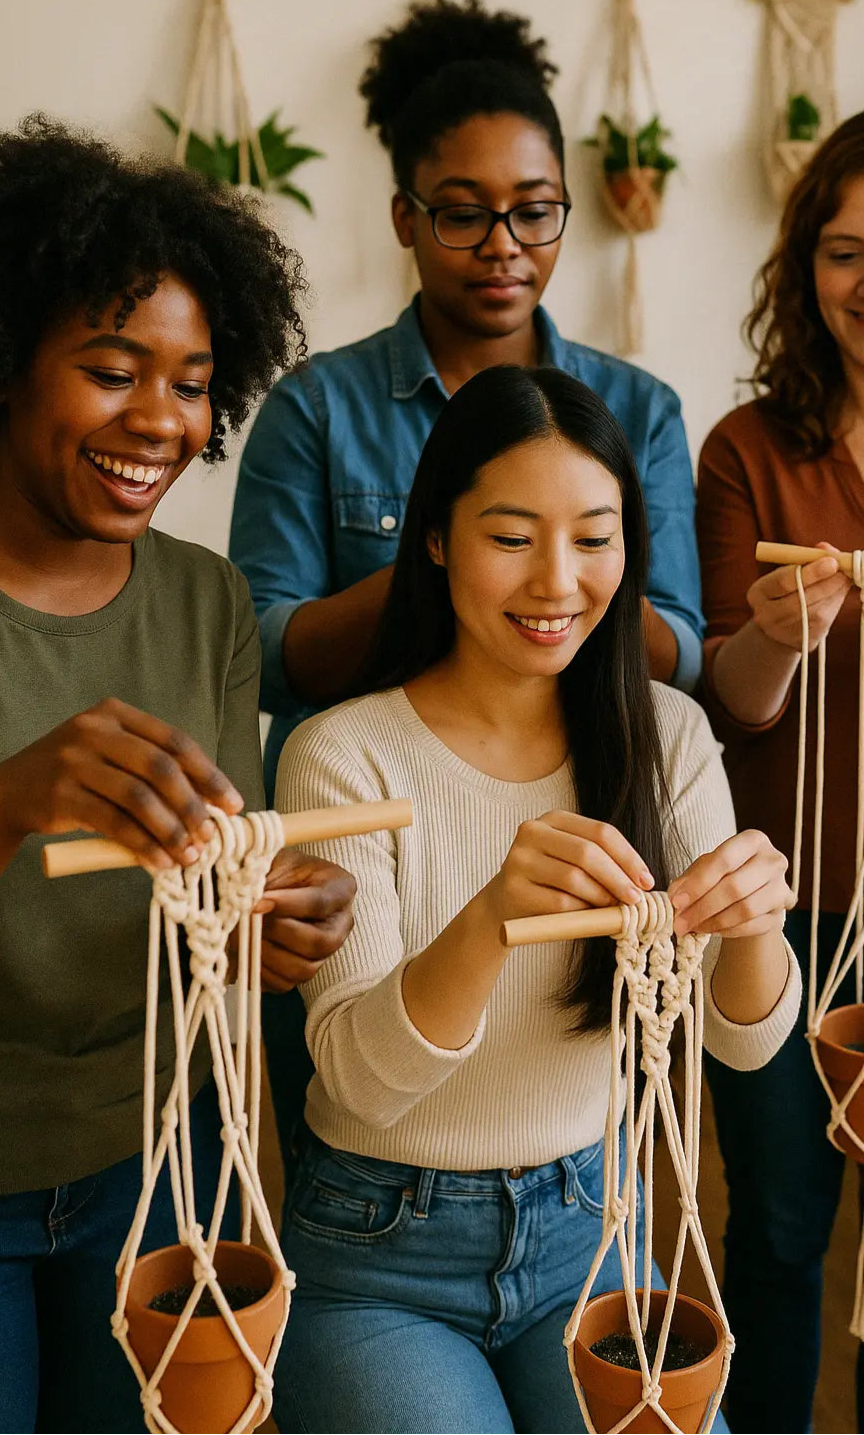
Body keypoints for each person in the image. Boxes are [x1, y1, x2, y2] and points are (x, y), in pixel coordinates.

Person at [272, 365, 799, 1435]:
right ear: (435, 538)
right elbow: (362, 1083)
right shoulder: (344, 755)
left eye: (594, 536)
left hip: (596, 1229)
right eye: (511, 536)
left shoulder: (666, 734)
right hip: (383, 1254)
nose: (557, 580)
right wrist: (488, 916)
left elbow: (745, 1045)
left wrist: (753, 926)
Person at [230, 0, 705, 1176]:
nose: (503, 243)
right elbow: (266, 645)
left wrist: (537, 555)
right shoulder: (316, 408)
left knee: (568, 1147)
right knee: (358, 1125)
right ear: (405, 216)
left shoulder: (635, 411)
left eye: (534, 211)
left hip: (570, 837)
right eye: (463, 213)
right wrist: (449, 560)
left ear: (565, 210)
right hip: (365, 858)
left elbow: (682, 646)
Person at [0, 116, 357, 1435]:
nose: (159, 417)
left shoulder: (207, 600)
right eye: (110, 368)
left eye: (194, 381)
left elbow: (226, 866)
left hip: (154, 1153)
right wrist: (16, 795)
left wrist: (280, 918)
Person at [696, 105, 864, 1435]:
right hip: (777, 909)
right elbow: (725, 709)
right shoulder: (749, 450)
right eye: (844, 252)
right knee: (781, 1235)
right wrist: (776, 639)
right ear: (804, 267)